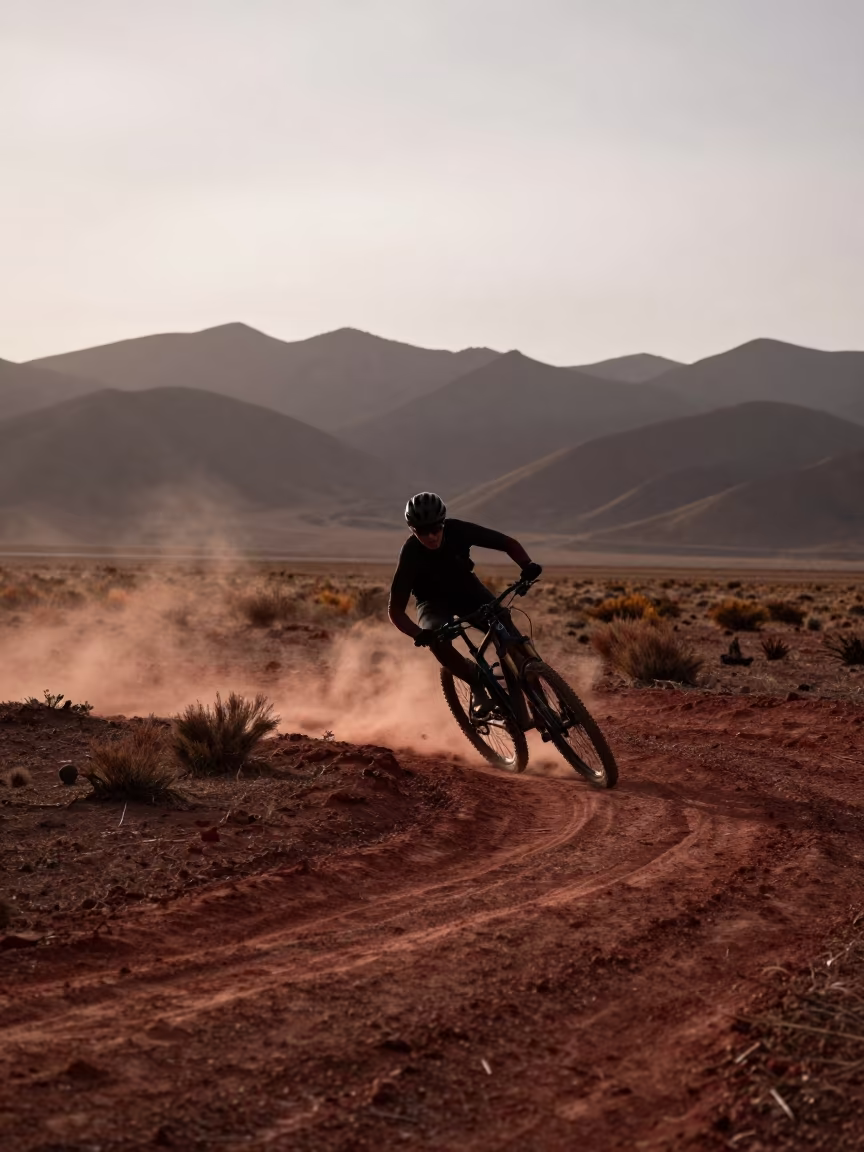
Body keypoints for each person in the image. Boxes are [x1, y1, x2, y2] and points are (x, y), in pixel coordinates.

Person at [388, 492, 542, 713]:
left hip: (469, 591)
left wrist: (527, 565)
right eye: (422, 531)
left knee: (511, 637)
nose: (431, 536)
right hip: (432, 603)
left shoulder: (458, 530)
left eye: (436, 528)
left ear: (443, 523)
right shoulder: (410, 553)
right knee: (437, 640)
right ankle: (477, 684)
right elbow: (395, 610)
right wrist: (418, 633)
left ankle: (540, 706)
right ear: (413, 530)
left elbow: (507, 543)